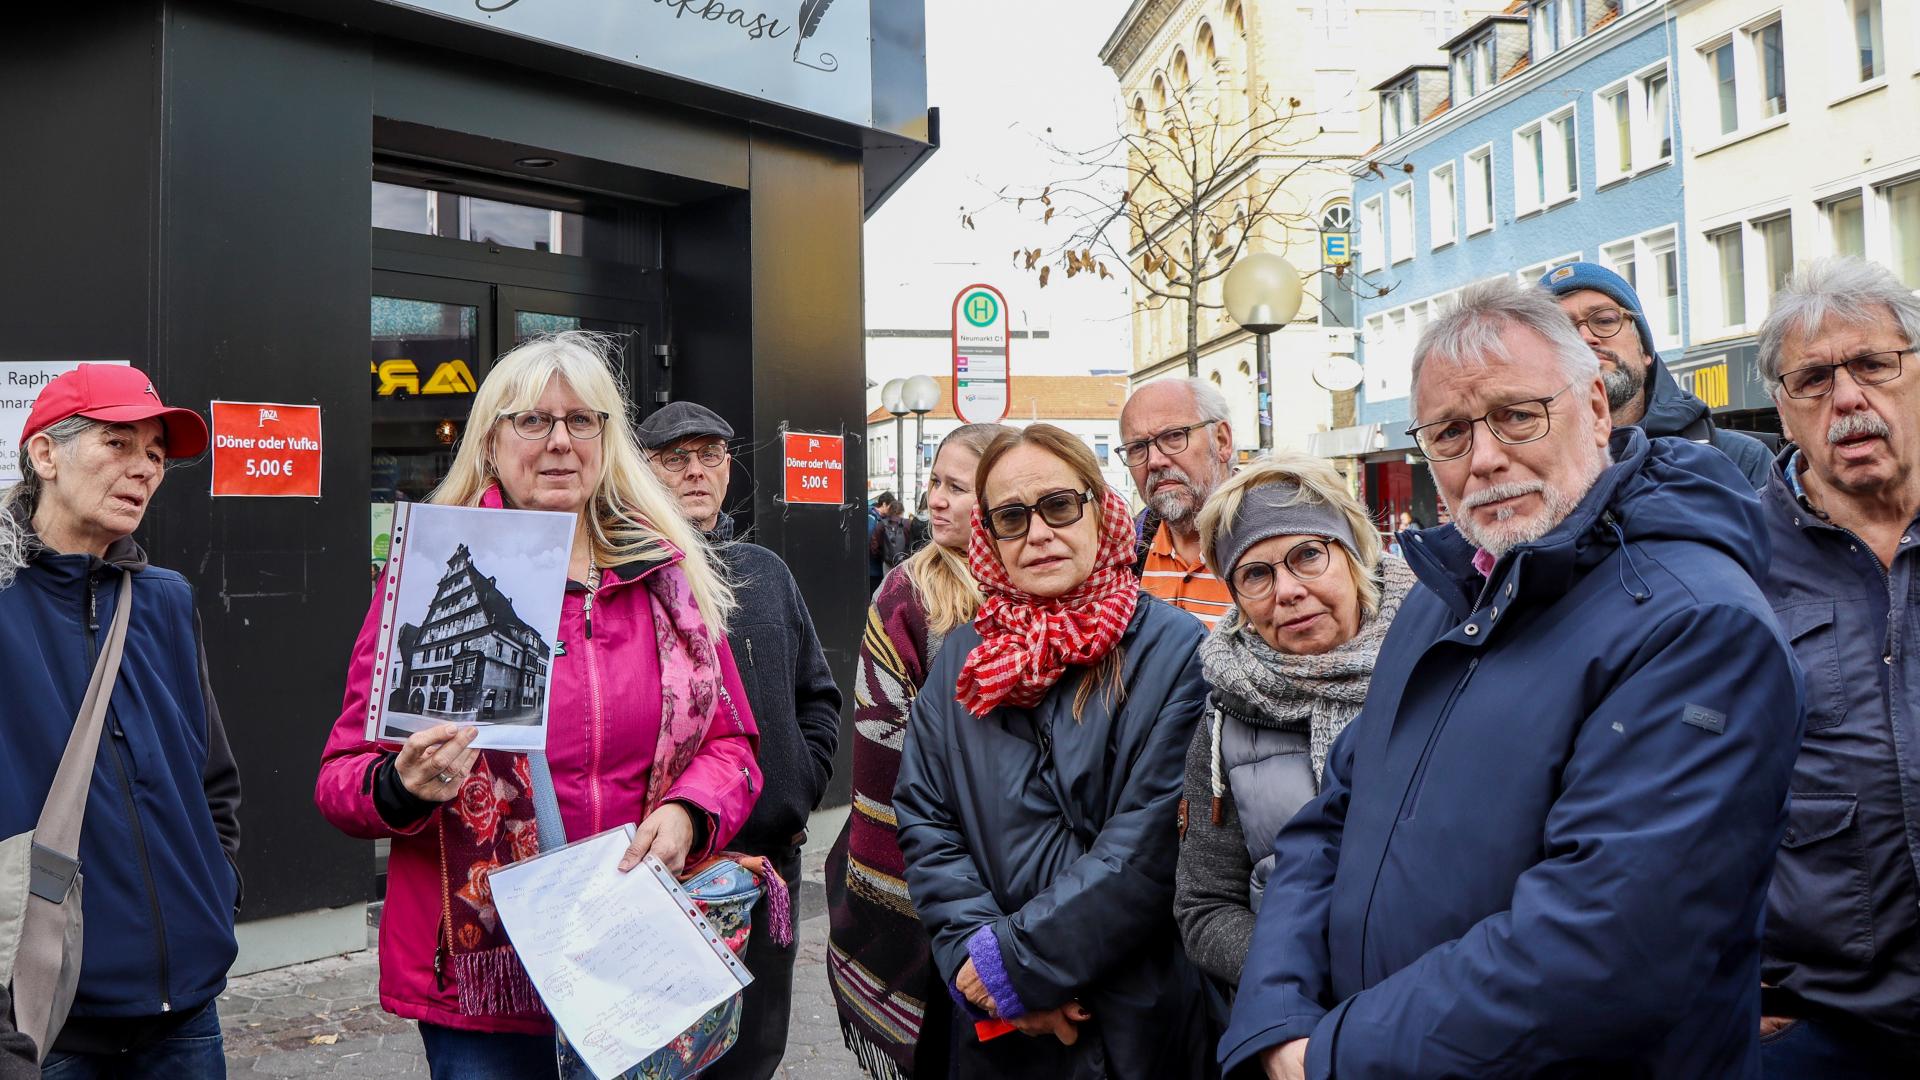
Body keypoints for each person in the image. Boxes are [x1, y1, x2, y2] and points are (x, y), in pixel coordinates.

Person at [1220, 278, 1804, 1079]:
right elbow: (1334, 819)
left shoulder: (1697, 622)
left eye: (1518, 416)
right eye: (1450, 433)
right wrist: (1278, 1015)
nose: (1485, 458)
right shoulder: (1444, 597)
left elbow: (1607, 944)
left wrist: (1331, 1052)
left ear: (1597, 407)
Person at [314, 332, 761, 1078]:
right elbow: (341, 778)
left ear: (606, 441)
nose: (559, 441)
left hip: (628, 949)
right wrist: (400, 786)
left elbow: (733, 747)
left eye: (581, 421)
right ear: (491, 442)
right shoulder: (425, 580)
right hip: (482, 976)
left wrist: (688, 813)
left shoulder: (663, 575)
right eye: (532, 421)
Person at [893, 424, 1216, 1078]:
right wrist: (984, 973)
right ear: (989, 537)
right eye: (1011, 517)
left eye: (1059, 506)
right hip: (996, 1026)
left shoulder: (1175, 649)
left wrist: (1014, 965)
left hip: (1131, 1018)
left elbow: (1147, 846)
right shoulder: (963, 657)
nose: (1038, 533)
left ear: (1101, 510)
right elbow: (927, 822)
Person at [0, 364, 241, 1077]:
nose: (144, 471)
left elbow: (213, 782)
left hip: (186, 1014)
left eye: (158, 457)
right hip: (46, 1021)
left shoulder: (165, 600)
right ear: (46, 455)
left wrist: (212, 896)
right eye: (118, 444)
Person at [636, 400, 842, 1080]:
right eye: (675, 458)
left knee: (754, 1055)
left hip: (766, 869)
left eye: (711, 456)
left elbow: (818, 695)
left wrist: (797, 784)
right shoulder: (630, 575)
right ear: (642, 469)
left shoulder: (765, 572)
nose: (696, 471)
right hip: (667, 875)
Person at [1751, 257, 1920, 1072]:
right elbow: (1692, 790)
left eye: (1874, 365)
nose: (1848, 398)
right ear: (1784, 413)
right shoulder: (1732, 569)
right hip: (1824, 1018)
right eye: (1813, 379)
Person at [1174, 453, 1416, 999]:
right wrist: (1305, 977)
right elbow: (1204, 908)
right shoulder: (1227, 714)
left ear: (1353, 556)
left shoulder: (1439, 665)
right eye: (1256, 574)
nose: (1286, 590)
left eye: (1308, 555)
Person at [825, 422, 1006, 1080]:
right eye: (934, 481)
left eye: (956, 488)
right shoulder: (907, 594)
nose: (935, 499)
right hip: (933, 866)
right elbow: (883, 744)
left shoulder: (1042, 586)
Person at [1540, 261, 1775, 487]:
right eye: (1562, 331)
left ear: (1645, 351)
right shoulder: (1520, 474)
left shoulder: (1741, 461)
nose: (1584, 338)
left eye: (1604, 320)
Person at [1119, 378, 1237, 627]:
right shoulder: (1124, 556)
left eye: (1174, 436)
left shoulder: (1276, 542)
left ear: (1222, 441)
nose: (1154, 461)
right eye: (1137, 448)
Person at [869, 492, 902, 594]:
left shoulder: (881, 520)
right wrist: (883, 555)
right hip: (873, 568)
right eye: (890, 506)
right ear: (884, 504)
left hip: (878, 567)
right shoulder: (872, 519)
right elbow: (871, 543)